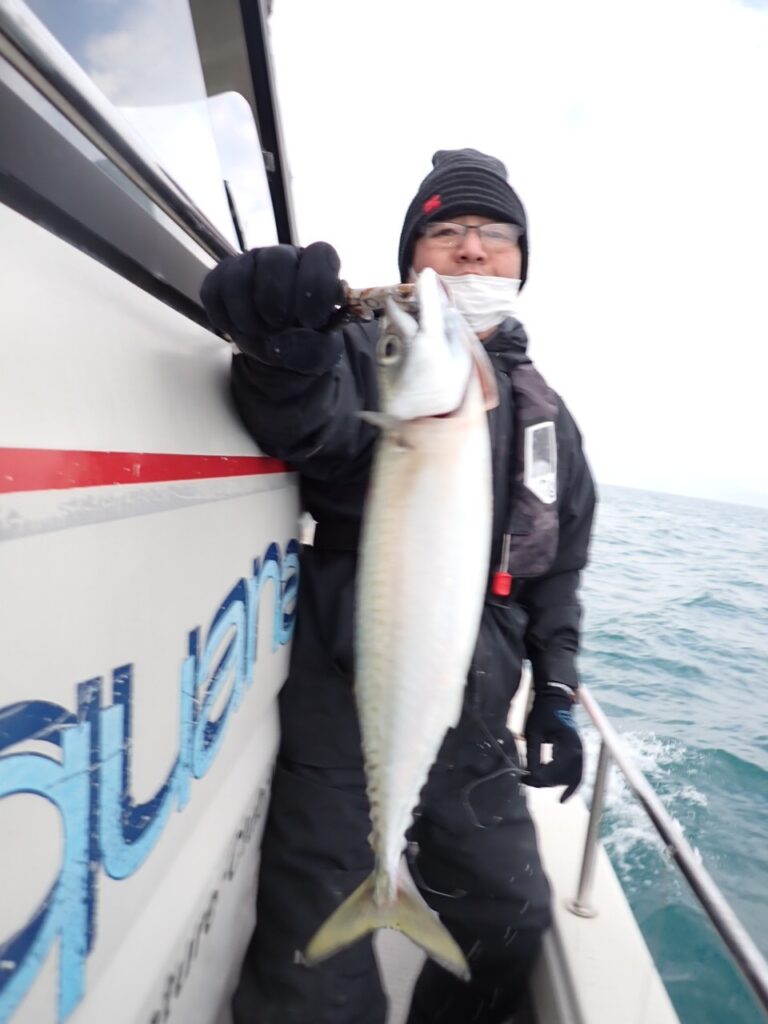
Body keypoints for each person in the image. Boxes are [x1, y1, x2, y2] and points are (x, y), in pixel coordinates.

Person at [200, 148, 596, 1024]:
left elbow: (560, 568)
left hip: (478, 699)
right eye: (446, 232)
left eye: (495, 234)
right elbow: (307, 421)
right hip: (351, 682)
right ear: (412, 258)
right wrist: (280, 350)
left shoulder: (549, 420)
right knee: (311, 978)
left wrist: (555, 692)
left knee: (510, 919)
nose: (471, 249)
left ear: (522, 261)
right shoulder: (368, 355)